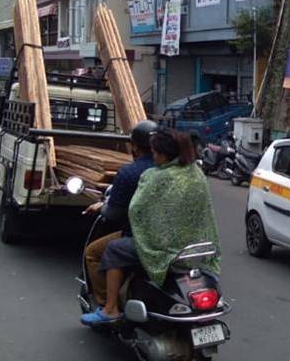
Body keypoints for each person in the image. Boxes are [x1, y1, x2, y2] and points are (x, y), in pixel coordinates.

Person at [81, 128, 221, 325]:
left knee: (113, 250)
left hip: (163, 247)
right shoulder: (196, 174)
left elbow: (136, 211)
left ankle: (110, 308)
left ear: (163, 154)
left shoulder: (153, 177)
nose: (153, 158)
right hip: (193, 245)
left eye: (155, 154)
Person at [82, 120, 158, 306]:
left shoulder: (130, 173)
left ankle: (108, 305)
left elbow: (114, 215)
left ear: (134, 147)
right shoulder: (174, 172)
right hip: (171, 236)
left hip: (143, 237)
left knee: (93, 253)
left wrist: (101, 207)